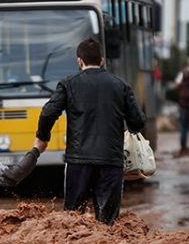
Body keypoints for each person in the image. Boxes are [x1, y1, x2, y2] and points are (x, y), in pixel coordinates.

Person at [35, 38, 145, 225]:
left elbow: (47, 113)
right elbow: (137, 122)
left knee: (72, 221)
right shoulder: (121, 85)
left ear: (79, 61)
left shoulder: (68, 84)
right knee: (108, 223)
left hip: (79, 162)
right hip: (111, 161)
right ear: (102, 60)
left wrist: (43, 138)